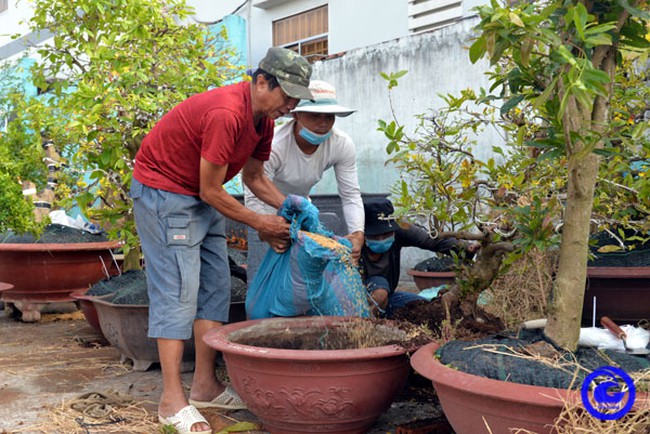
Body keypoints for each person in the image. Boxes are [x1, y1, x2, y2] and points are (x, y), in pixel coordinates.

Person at [130, 47, 313, 434]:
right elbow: (212, 189)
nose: (292, 105)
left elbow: (254, 178)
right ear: (261, 81)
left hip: (199, 194)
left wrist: (294, 208)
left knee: (214, 286)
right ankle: (170, 401)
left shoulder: (263, 120)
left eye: (297, 98)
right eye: (288, 95)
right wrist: (262, 224)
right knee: (178, 289)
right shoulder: (226, 114)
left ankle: (204, 386)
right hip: (164, 192)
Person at [244, 80, 365, 283]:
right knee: (262, 278)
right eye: (315, 115)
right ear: (296, 115)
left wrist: (357, 232)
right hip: (263, 210)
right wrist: (266, 228)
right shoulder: (274, 143)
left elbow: (350, 193)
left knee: (303, 281)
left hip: (303, 211)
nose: (323, 123)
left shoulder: (341, 144)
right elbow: (252, 187)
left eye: (329, 116)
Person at [360, 197, 478, 318]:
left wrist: (465, 247)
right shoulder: (355, 243)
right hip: (360, 299)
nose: (381, 240)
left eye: (386, 234)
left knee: (423, 307)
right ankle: (365, 325)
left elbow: (430, 240)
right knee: (380, 290)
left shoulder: (400, 230)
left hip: (389, 297)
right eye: (375, 236)